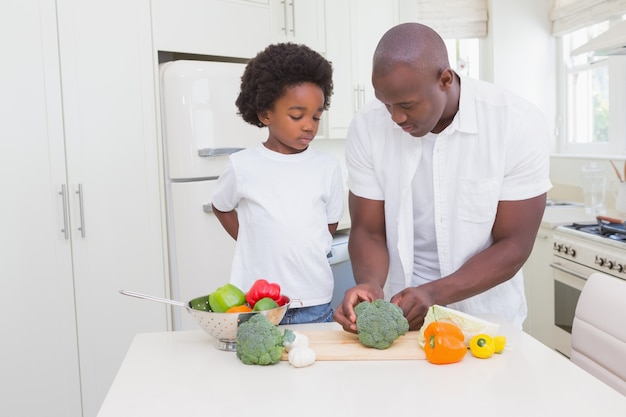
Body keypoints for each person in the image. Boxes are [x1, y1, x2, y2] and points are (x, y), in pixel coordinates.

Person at [334, 22, 552, 333]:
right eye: (387, 105)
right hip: (402, 319)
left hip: (486, 321)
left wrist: (433, 294)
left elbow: (514, 244)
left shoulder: (516, 123)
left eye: (406, 105)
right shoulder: (367, 127)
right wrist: (369, 284)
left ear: (445, 80)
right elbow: (368, 230)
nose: (395, 118)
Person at [211, 43, 344, 324]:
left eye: (316, 116)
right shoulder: (243, 165)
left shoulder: (327, 168)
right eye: (297, 116)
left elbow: (328, 226)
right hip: (257, 304)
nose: (309, 125)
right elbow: (221, 206)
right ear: (265, 114)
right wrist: (252, 241)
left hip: (314, 300)